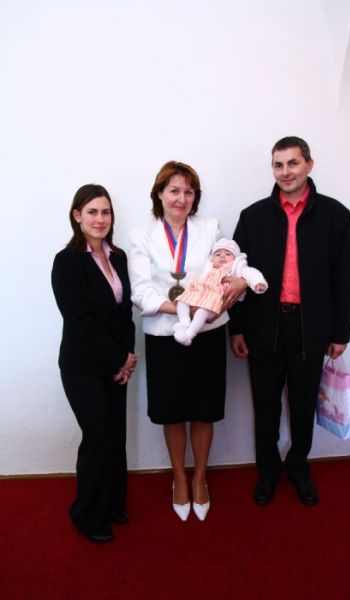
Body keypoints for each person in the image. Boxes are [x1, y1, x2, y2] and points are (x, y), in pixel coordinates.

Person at [229, 137, 350, 506]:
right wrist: (237, 327)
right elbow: (234, 275)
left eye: (293, 163)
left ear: (309, 165)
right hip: (263, 326)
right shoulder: (252, 216)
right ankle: (267, 472)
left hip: (311, 327)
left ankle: (299, 468)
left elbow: (343, 278)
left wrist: (341, 332)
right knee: (265, 405)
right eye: (278, 164)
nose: (285, 172)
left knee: (302, 404)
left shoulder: (336, 215)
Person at [129, 161, 245, 521]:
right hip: (164, 334)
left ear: (196, 197)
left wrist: (236, 284)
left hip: (207, 331)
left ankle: (200, 477)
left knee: (205, 409)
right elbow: (140, 290)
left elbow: (227, 268)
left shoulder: (210, 228)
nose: (181, 198)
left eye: (189, 192)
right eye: (174, 190)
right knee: (172, 410)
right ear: (159, 194)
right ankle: (179, 477)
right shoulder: (141, 235)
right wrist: (178, 305)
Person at [51, 184, 137, 543]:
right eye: (92, 212)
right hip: (82, 367)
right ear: (77, 216)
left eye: (105, 212)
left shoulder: (118, 257)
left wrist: (127, 359)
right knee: (98, 440)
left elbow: (125, 313)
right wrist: (119, 357)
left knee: (116, 437)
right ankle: (87, 516)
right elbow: (79, 324)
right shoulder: (67, 262)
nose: (100, 219)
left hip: (116, 365)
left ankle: (113, 505)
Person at [173, 238, 268, 346]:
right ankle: (184, 322)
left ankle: (189, 334)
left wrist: (258, 282)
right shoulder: (209, 267)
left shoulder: (236, 268)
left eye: (228, 254)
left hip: (216, 297)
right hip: (201, 291)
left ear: (236, 258)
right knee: (182, 299)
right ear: (212, 258)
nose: (222, 256)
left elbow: (251, 272)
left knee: (202, 311)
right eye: (218, 254)